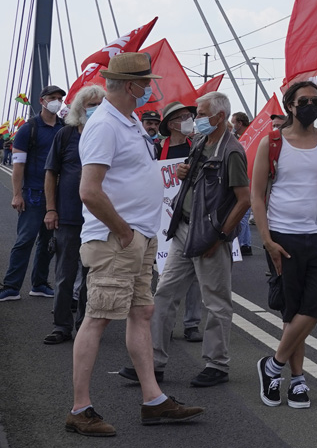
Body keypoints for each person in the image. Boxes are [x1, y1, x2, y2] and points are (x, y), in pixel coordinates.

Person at [68, 53, 205, 436]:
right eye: (145, 83)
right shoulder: (105, 126)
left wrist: (136, 234)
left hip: (136, 237)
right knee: (97, 317)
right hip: (117, 239)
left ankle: (154, 400)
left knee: (141, 313)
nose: (149, 89)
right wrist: (124, 232)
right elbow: (89, 191)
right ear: (130, 86)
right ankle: (80, 408)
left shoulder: (127, 122)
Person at [251, 80, 317, 409]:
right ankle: (297, 381)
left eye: (316, 100)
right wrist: (266, 240)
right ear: (290, 105)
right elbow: (257, 195)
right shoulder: (273, 142)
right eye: (304, 100)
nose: (311, 105)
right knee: (292, 312)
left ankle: (273, 364)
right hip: (283, 235)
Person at [150, 91, 251, 388]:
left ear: (220, 117)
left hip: (209, 235)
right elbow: (196, 181)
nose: (197, 120)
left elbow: (243, 200)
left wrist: (219, 237)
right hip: (183, 229)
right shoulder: (199, 144)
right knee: (164, 294)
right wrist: (184, 172)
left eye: (203, 114)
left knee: (215, 300)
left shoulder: (231, 151)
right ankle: (153, 363)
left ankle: (217, 364)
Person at [43, 85, 105, 343]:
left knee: (93, 276)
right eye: (91, 105)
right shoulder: (66, 135)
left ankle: (85, 327)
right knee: (65, 274)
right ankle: (61, 326)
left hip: (99, 218)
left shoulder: (106, 136)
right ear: (80, 108)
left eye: (100, 105)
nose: (95, 110)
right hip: (68, 216)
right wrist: (50, 209)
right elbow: (51, 173)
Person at [1, 84, 65, 302]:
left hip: (56, 195)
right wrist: (17, 194)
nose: (57, 101)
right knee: (25, 240)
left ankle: (39, 284)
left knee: (48, 242)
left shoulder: (63, 128)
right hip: (32, 194)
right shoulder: (29, 129)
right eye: (52, 97)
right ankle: (11, 286)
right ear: (42, 100)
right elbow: (18, 166)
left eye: (60, 98)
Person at [154, 101, 204, 343]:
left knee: (195, 276)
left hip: (191, 218)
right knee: (167, 278)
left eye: (189, 116)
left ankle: (192, 323)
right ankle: (166, 324)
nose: (189, 120)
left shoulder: (197, 145)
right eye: (183, 117)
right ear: (171, 124)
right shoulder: (156, 149)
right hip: (163, 219)